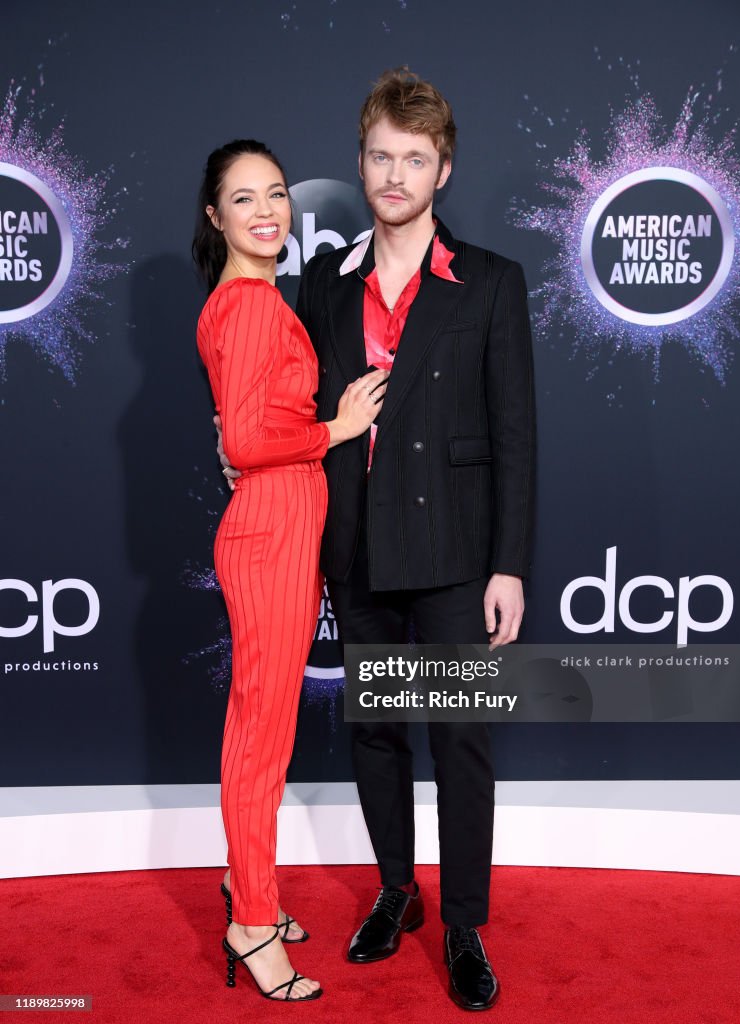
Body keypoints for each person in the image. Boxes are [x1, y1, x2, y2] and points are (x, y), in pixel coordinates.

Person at [220, 68, 535, 1011]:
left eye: (416, 159)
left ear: (443, 170)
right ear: (360, 162)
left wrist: (509, 562)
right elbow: (283, 397)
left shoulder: (489, 282)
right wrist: (241, 448)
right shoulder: (323, 281)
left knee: (461, 741)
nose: (396, 175)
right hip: (353, 548)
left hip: (453, 559)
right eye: (381, 155)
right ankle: (396, 892)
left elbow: (516, 433)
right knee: (375, 734)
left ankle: (466, 925)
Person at [193, 138, 387, 1003]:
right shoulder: (249, 307)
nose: (268, 210)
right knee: (261, 739)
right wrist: (335, 431)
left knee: (263, 733)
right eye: (245, 199)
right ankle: (250, 920)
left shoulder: (252, 300)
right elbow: (243, 441)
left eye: (276, 193)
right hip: (271, 530)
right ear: (216, 217)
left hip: (281, 524)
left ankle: (250, 885)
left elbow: (239, 429)